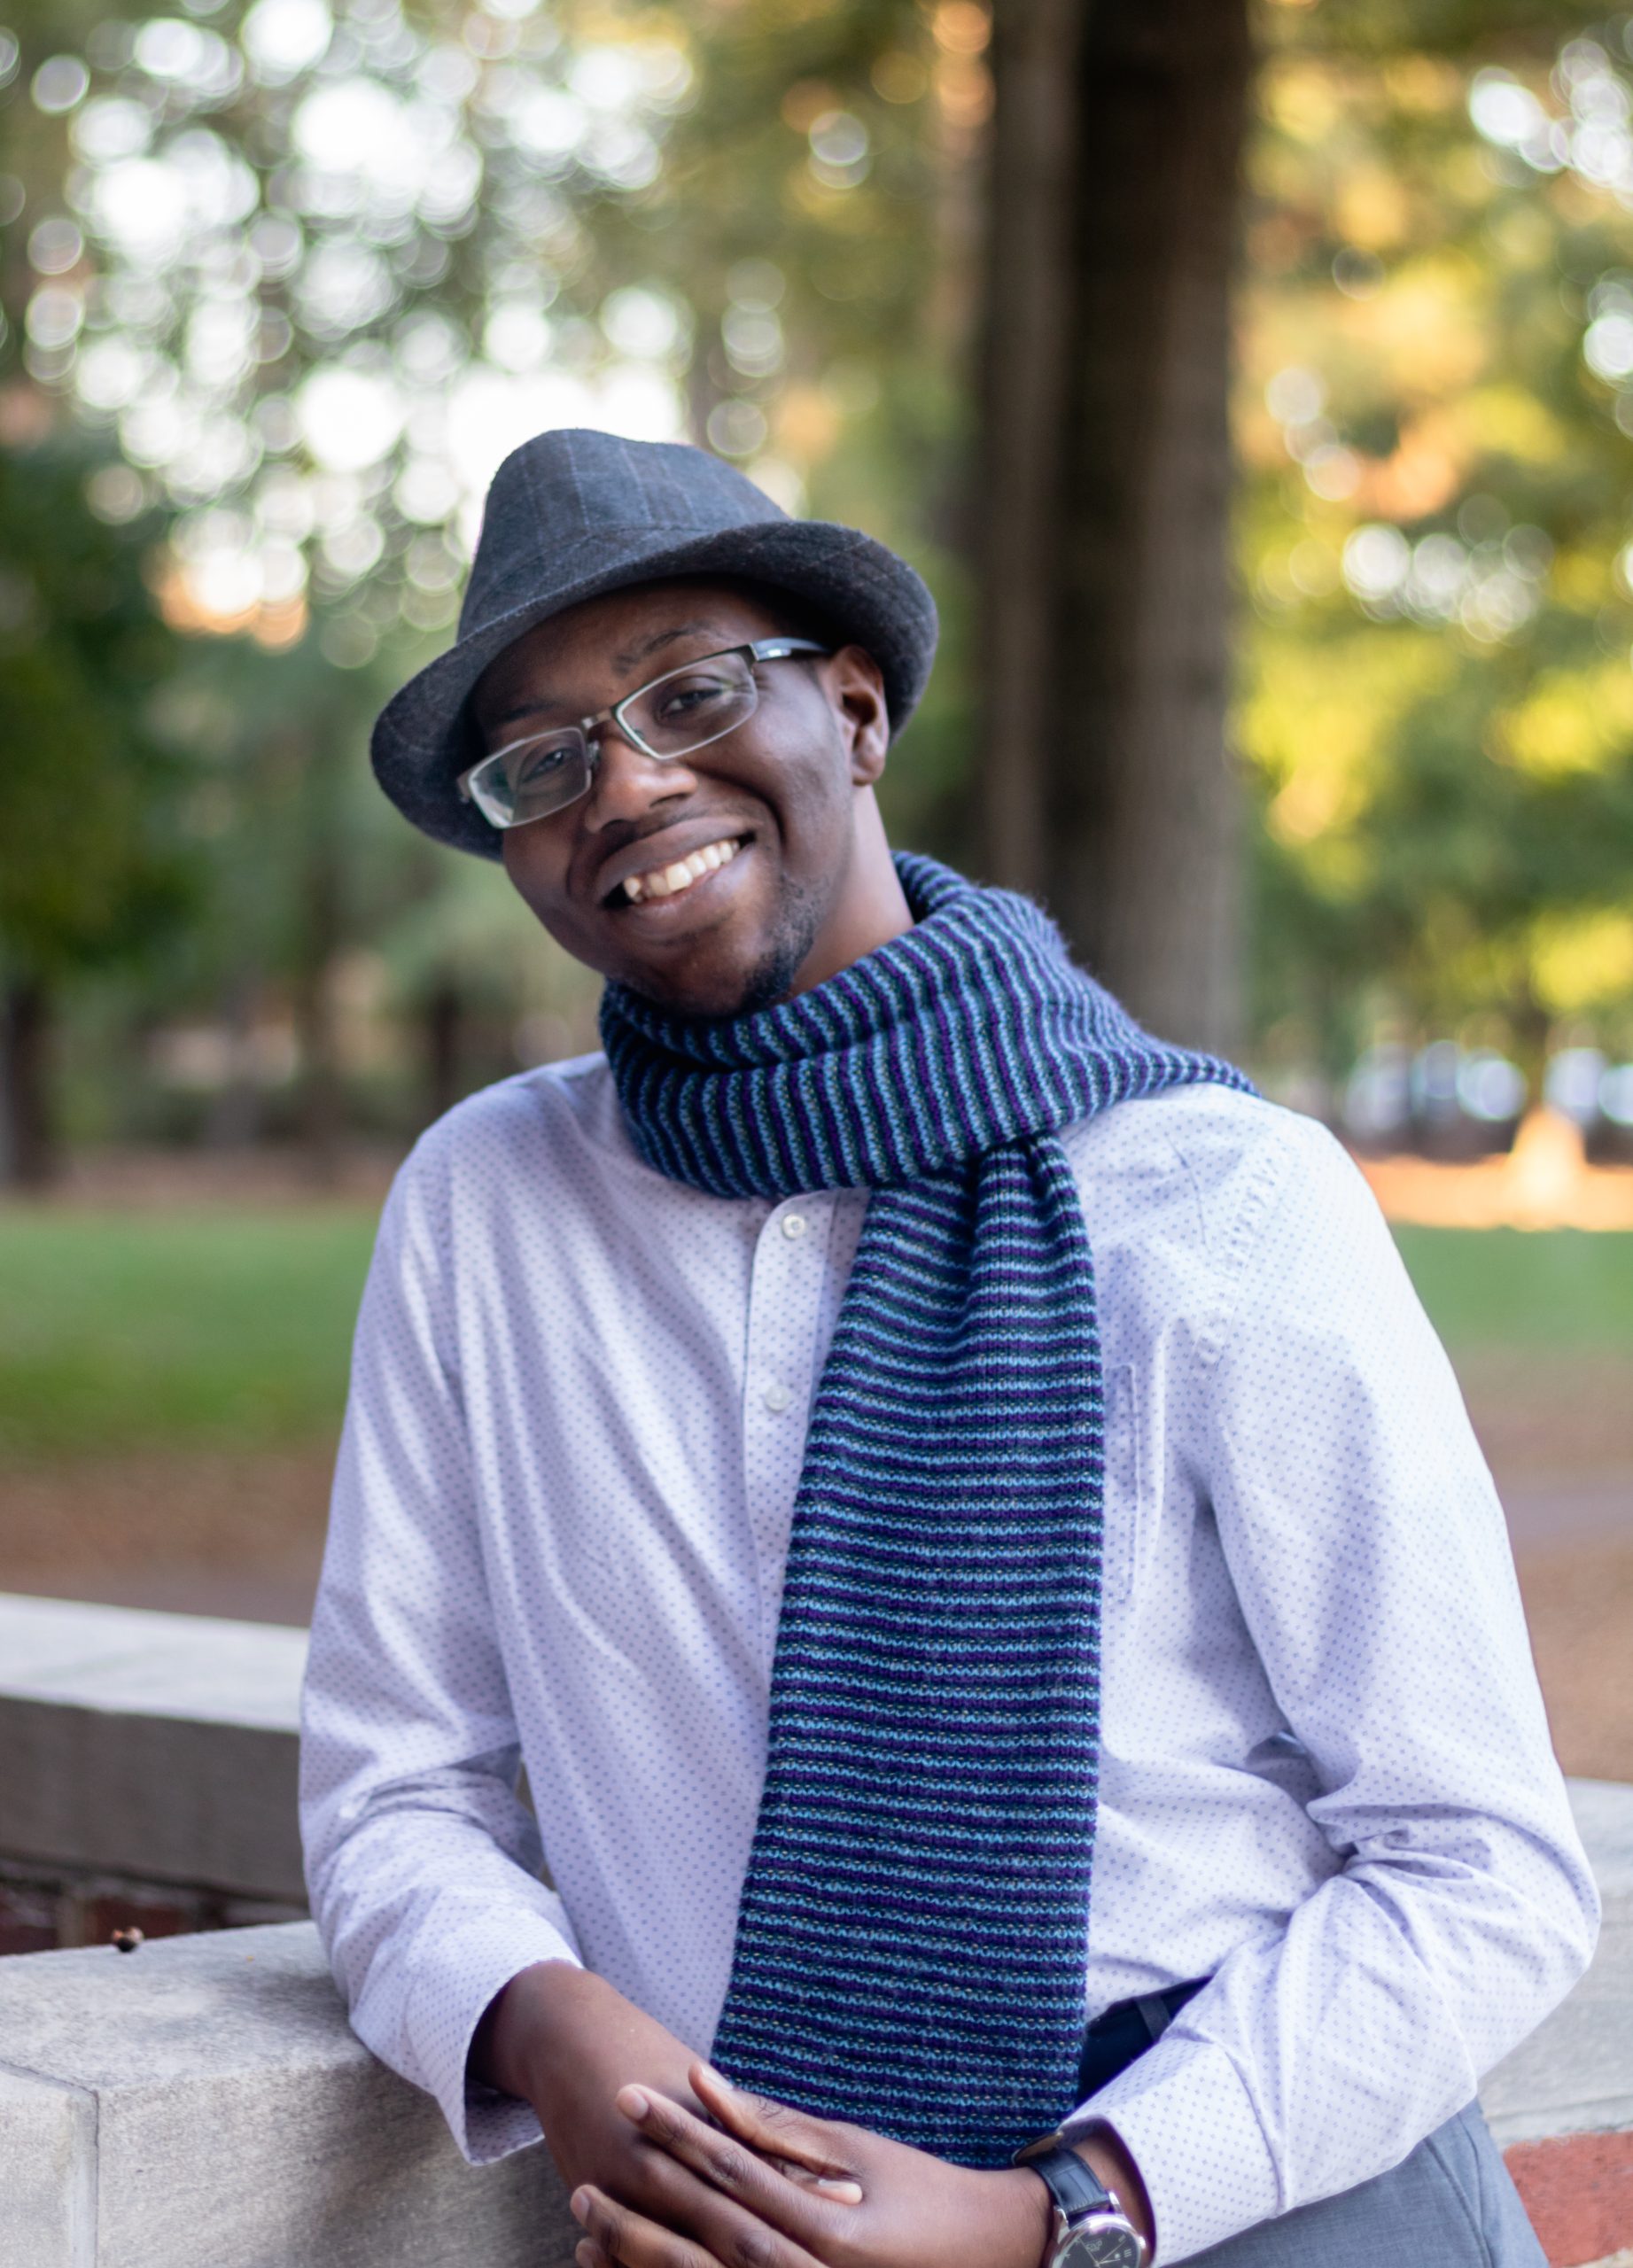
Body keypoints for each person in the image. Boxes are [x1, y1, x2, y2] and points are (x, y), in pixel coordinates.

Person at [299, 428, 1598, 2268]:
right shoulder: (485, 1209)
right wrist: (541, 2019)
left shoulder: (1220, 1196)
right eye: (547, 758)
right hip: (736, 2206)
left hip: (1257, 2185)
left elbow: (1482, 1865)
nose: (629, 785)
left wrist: (1055, 2213)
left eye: (687, 690)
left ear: (851, 711)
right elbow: (396, 1784)